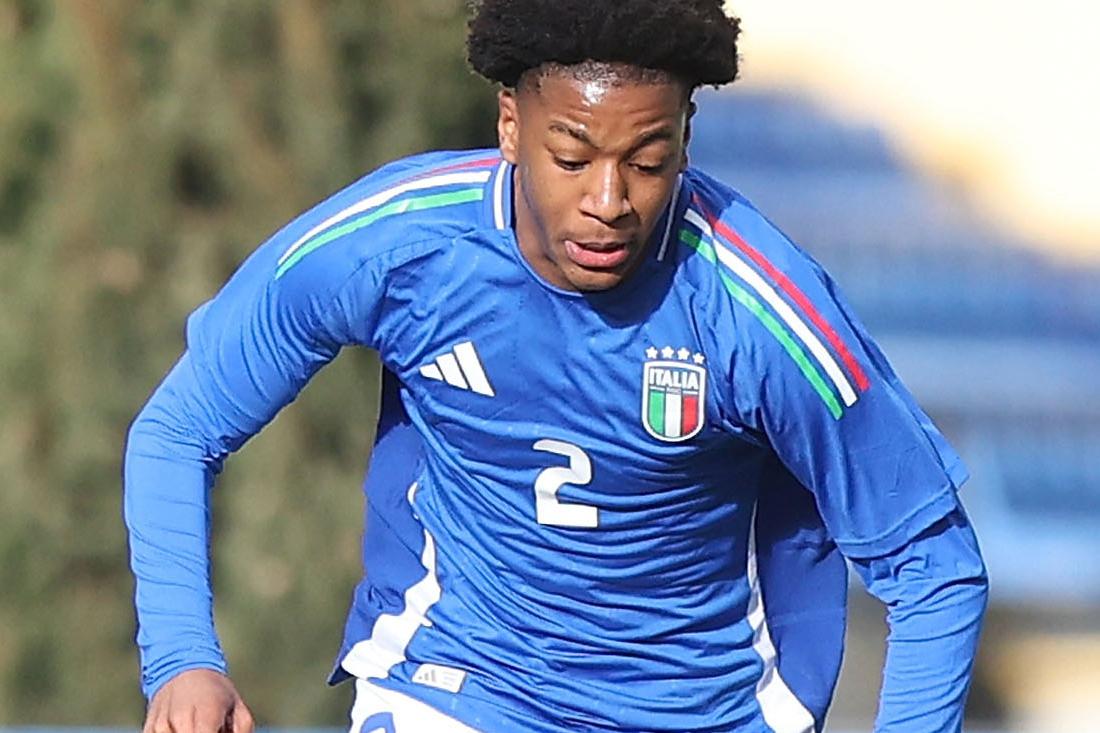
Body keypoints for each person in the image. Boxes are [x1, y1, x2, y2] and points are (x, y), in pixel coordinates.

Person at [124, 1, 989, 731]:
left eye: (647, 164)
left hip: (704, 709)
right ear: (510, 124)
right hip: (452, 683)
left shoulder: (763, 312)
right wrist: (182, 660)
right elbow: (179, 428)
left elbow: (933, 565)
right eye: (572, 158)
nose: (608, 201)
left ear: (686, 139)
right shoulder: (397, 245)